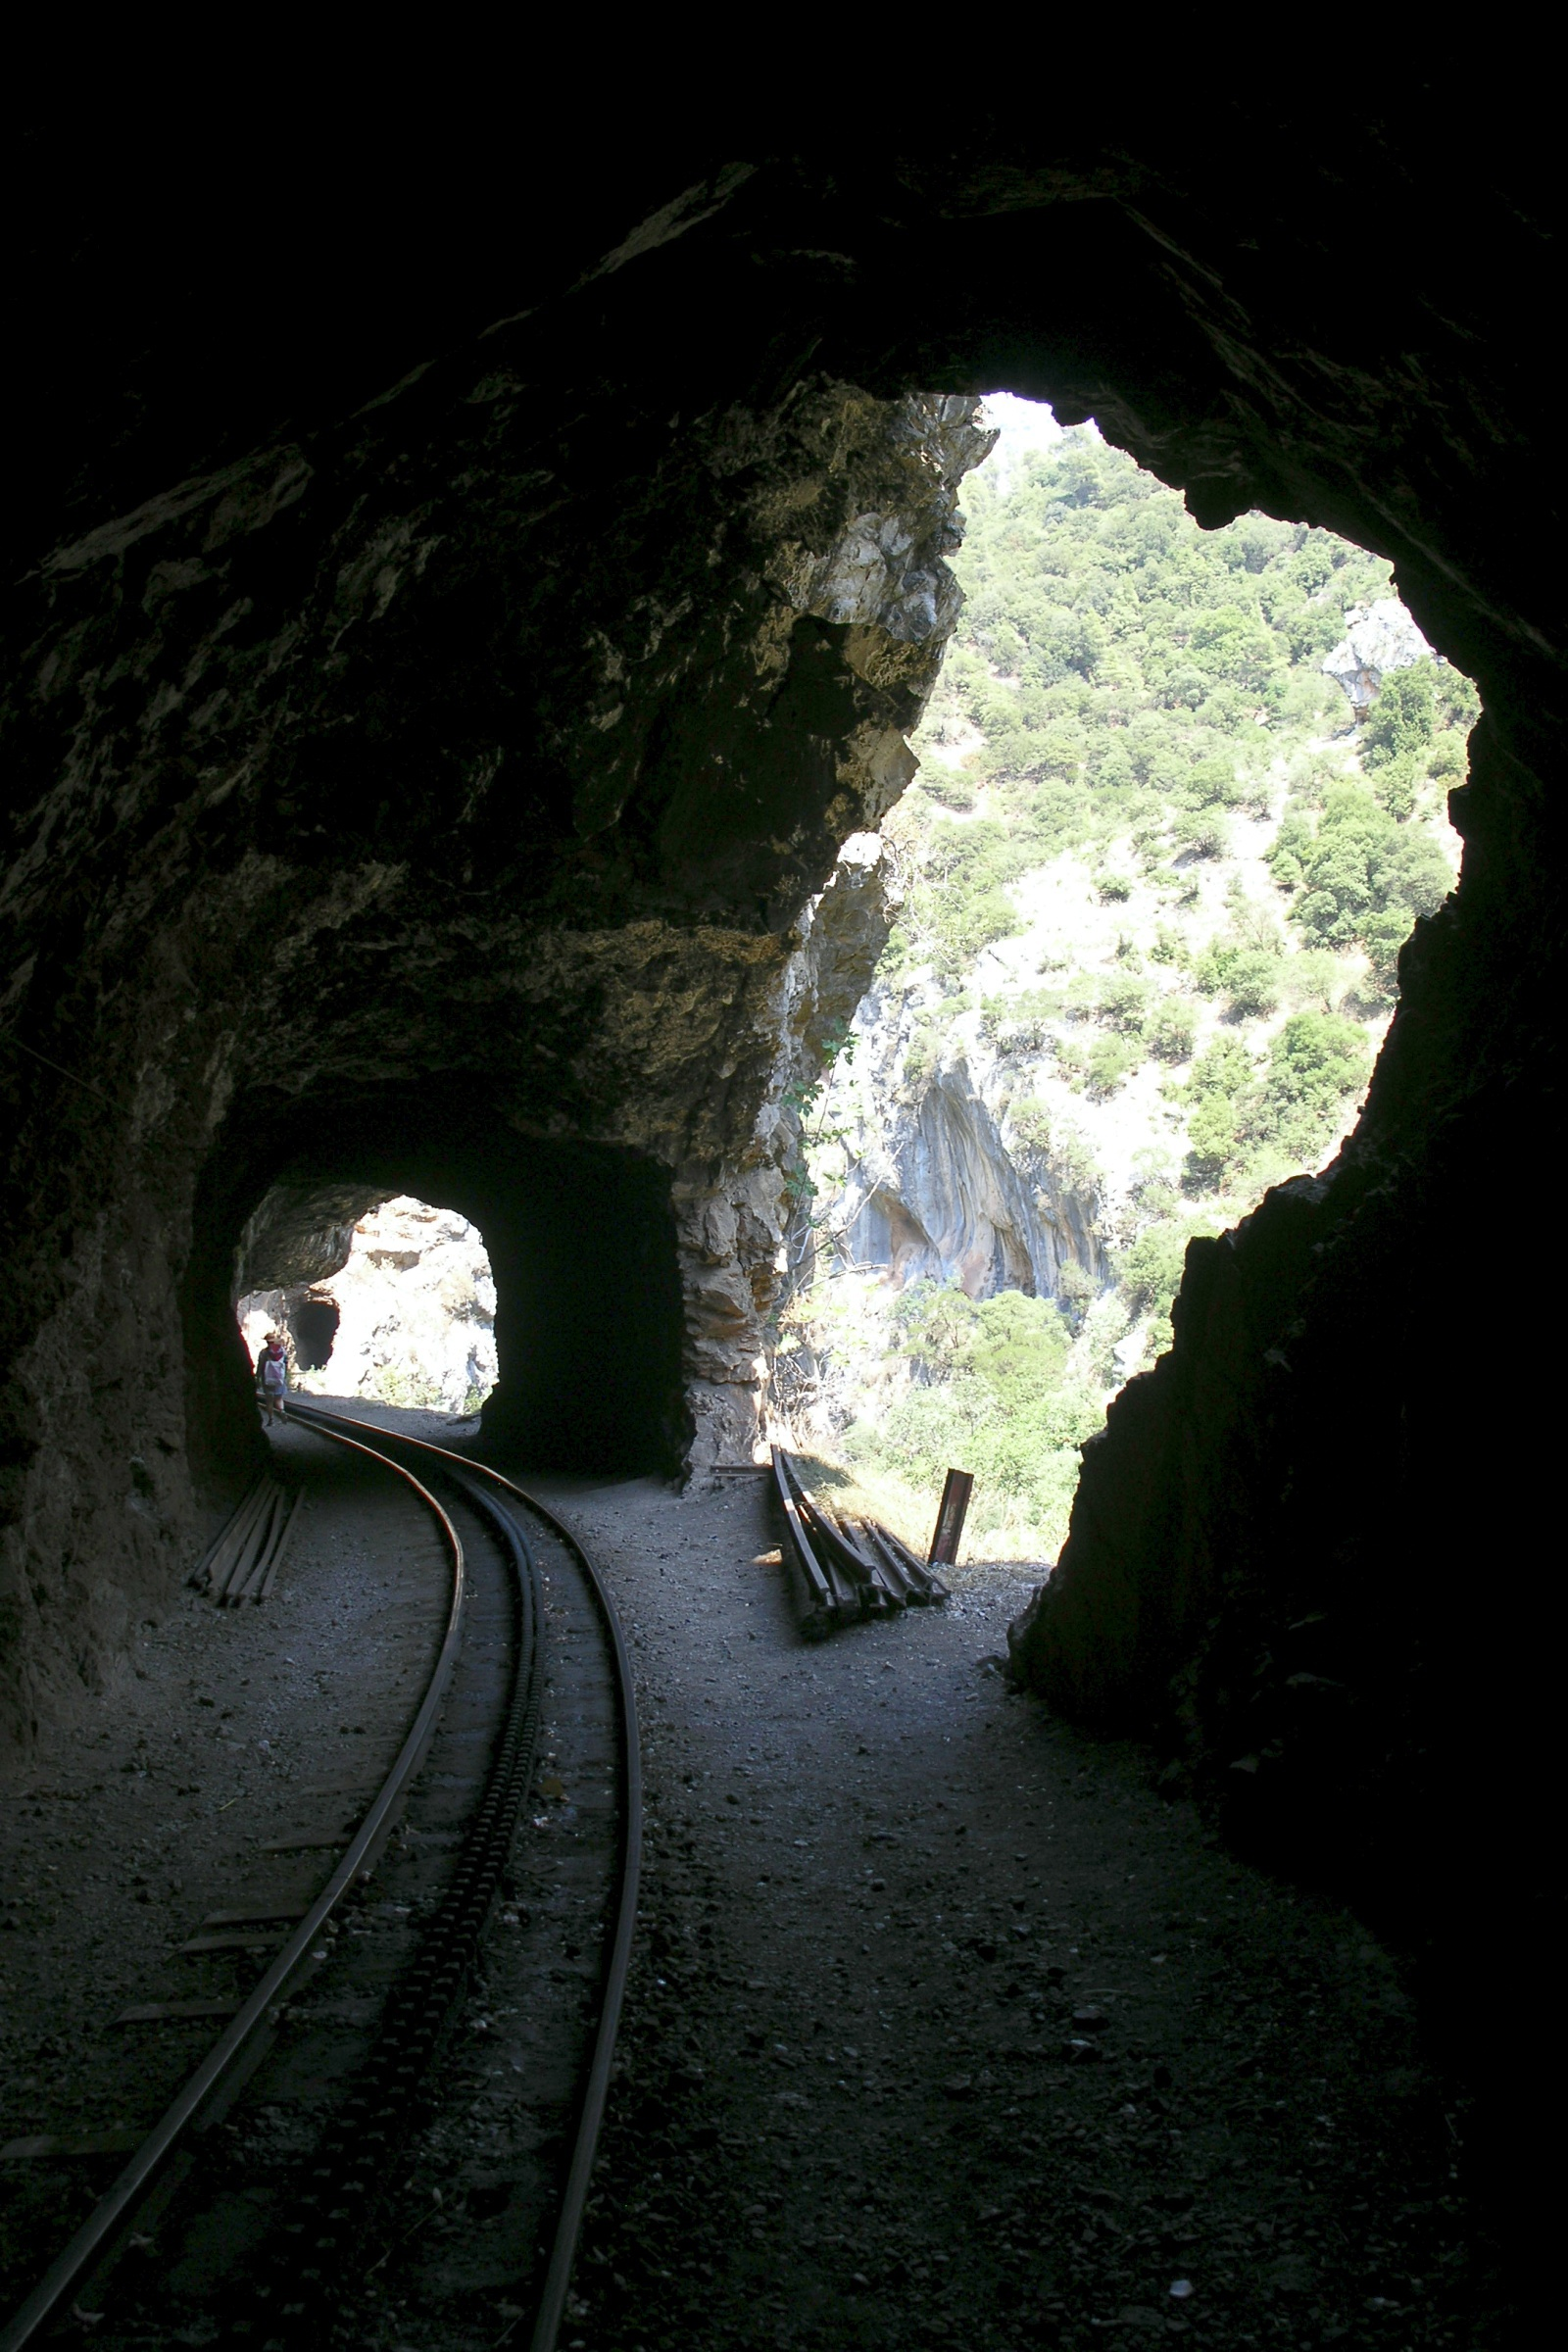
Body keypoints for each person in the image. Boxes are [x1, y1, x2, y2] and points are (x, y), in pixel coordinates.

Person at [256, 1330, 289, 1423]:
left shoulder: (264, 1353)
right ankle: (282, 1410)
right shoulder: (283, 1351)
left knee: (269, 1401)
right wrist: (284, 1376)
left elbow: (260, 1366)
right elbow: (286, 1364)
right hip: (279, 1379)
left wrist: (257, 1377)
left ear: (267, 1341)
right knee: (279, 1398)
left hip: (267, 1379)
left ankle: (271, 1419)